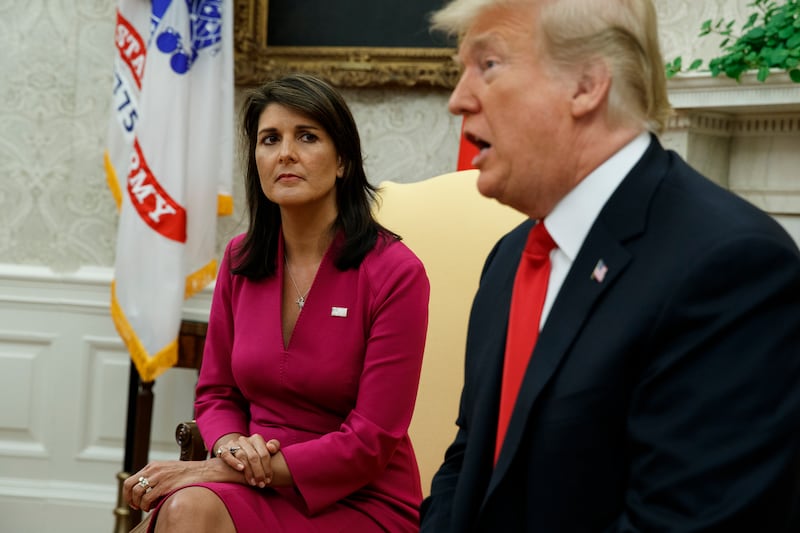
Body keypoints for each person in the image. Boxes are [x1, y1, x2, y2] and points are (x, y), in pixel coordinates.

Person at [420, 1, 800, 531]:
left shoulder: (733, 269)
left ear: (586, 85)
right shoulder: (510, 259)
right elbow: (468, 461)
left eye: (488, 66)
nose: (458, 100)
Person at [123, 73, 430, 532]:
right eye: (270, 139)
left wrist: (211, 469)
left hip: (360, 498)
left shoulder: (396, 273)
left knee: (185, 507)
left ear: (343, 159)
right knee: (184, 509)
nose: (285, 152)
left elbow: (370, 443)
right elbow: (217, 392)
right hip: (250, 484)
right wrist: (228, 445)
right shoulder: (240, 259)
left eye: (306, 137)